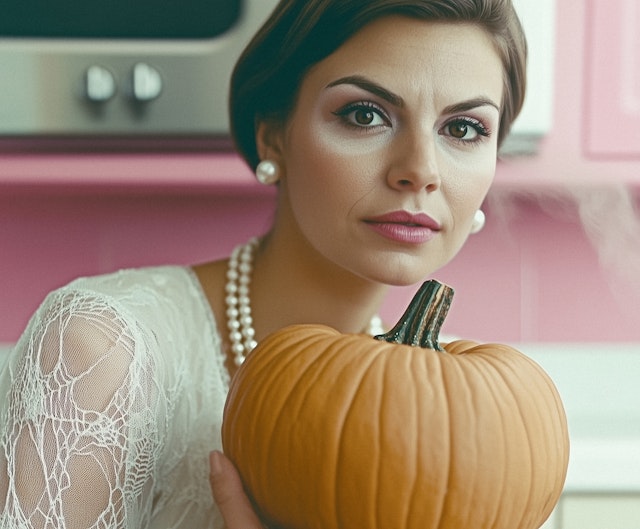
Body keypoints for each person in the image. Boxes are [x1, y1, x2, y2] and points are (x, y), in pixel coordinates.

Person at [0, 0, 527, 527]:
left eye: (463, 129)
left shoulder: (445, 416)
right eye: (365, 114)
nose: (421, 170)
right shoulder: (101, 349)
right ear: (271, 133)